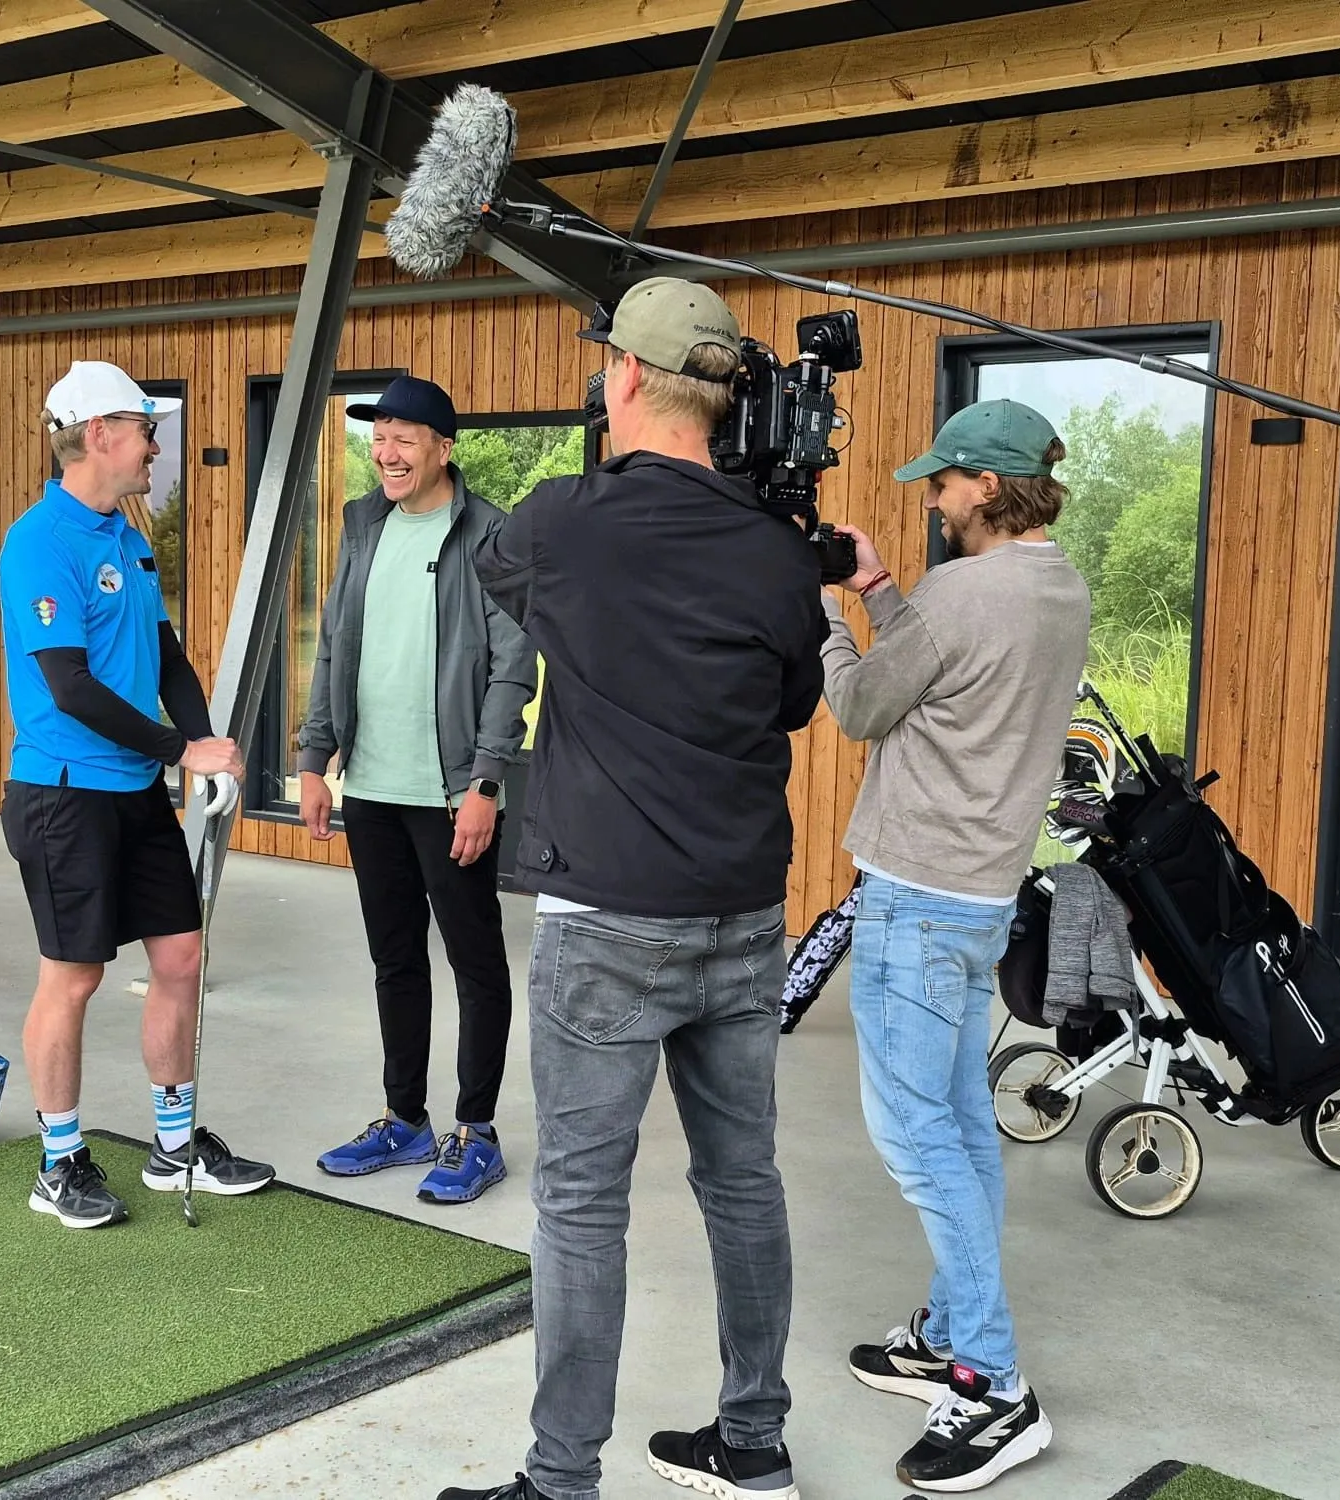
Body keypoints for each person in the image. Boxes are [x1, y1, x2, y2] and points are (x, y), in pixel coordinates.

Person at [438, 278, 828, 1500]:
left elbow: (500, 572)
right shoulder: (775, 549)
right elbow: (794, 702)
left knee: (577, 1201)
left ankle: (561, 1480)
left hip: (606, 922)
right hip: (743, 915)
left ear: (618, 382)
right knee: (742, 1180)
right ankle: (753, 1443)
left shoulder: (561, 524)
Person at [820, 399, 1089, 1492]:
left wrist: (826, 615)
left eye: (941, 484)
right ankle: (943, 1329)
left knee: (915, 1137)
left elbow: (858, 705)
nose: (930, 499)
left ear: (986, 487)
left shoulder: (958, 589)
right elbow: (948, 667)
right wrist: (878, 585)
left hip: (917, 900)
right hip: (977, 895)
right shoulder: (1055, 583)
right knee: (961, 1125)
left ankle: (990, 1384)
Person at [0, 359, 273, 1230]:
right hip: (63, 794)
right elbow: (72, 687)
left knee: (182, 958)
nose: (157, 445)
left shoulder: (129, 535)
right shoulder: (39, 541)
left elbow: (168, 658)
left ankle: (173, 1144)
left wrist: (210, 750)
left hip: (135, 791)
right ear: (101, 435)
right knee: (74, 976)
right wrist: (181, 749)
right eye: (146, 429)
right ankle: (59, 1162)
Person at [296, 375, 537, 1205]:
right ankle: (405, 1119)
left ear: (443, 446)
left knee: (475, 961)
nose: (386, 451)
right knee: (393, 958)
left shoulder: (490, 532)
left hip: (449, 792)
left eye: (404, 436)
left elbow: (515, 664)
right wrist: (313, 757)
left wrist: (484, 781)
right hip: (369, 784)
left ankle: (478, 1130)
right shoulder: (363, 524)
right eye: (378, 435)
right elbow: (334, 639)